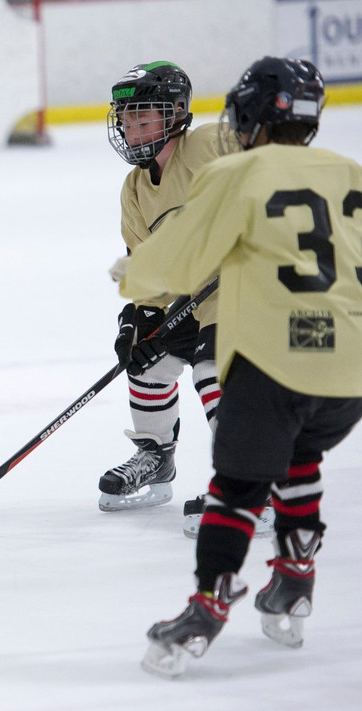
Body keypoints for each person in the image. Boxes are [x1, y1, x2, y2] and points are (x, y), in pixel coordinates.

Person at [116, 57, 362, 677]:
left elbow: (173, 260)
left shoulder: (237, 170)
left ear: (249, 115)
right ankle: (295, 577)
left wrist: (133, 285)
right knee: (299, 455)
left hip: (278, 357)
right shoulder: (351, 172)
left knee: (237, 485)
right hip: (352, 367)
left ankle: (206, 607)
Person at [100, 61, 243, 538]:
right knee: (147, 360)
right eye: (126, 119)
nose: (132, 128)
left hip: (248, 286)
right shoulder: (136, 189)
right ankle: (156, 457)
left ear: (177, 114)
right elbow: (148, 269)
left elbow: (269, 180)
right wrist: (135, 318)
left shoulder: (207, 145)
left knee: (211, 368)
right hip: (197, 294)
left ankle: (248, 487)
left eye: (145, 118)